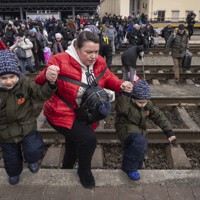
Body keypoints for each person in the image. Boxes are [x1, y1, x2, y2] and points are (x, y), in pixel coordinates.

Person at [35, 31, 133, 189]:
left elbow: (107, 76)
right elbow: (38, 82)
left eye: (96, 51)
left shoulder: (99, 61)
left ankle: (66, 167)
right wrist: (48, 75)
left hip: (85, 112)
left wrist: (120, 84)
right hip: (60, 112)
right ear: (76, 47)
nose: (93, 56)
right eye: (88, 52)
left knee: (74, 141)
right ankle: (84, 172)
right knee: (88, 139)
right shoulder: (59, 60)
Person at [0, 50, 59, 185]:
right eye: (3, 78)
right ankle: (14, 173)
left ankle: (33, 160)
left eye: (11, 77)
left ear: (17, 74)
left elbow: (40, 94)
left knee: (33, 148)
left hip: (26, 126)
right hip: (5, 132)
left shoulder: (25, 83)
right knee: (10, 157)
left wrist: (50, 84)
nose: (8, 81)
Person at [115, 79, 176, 181]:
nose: (142, 105)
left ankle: (136, 163)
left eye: (145, 102)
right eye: (140, 102)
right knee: (140, 142)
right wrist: (125, 94)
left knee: (140, 144)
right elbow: (121, 109)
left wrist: (168, 131)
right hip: (125, 128)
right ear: (133, 98)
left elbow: (158, 116)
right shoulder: (126, 102)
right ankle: (129, 168)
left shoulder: (147, 104)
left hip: (138, 129)